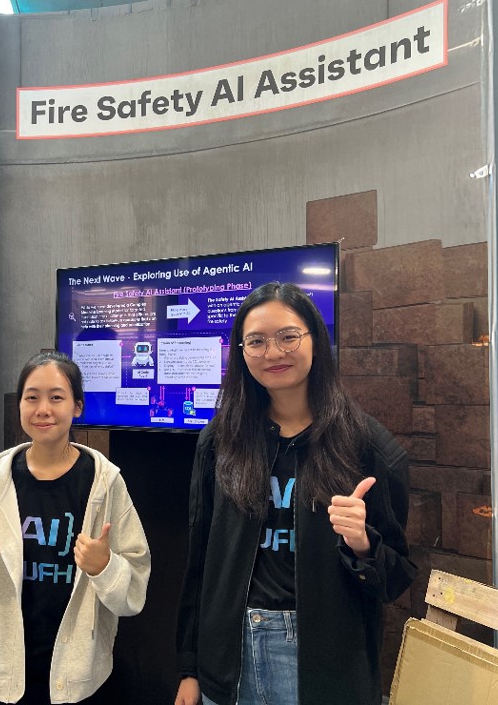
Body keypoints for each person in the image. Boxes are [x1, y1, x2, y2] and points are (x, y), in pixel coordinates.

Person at [175, 282, 417, 705]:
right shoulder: (222, 441)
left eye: (288, 336)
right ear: (241, 352)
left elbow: (395, 579)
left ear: (314, 340)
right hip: (229, 657)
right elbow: (201, 560)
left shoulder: (369, 448)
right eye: (256, 341)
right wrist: (190, 667)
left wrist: (362, 544)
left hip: (321, 664)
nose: (273, 353)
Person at [0, 352, 151, 705]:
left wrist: (105, 567)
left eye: (56, 397)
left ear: (77, 406)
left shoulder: (104, 481)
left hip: (78, 676)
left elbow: (134, 593)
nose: (43, 409)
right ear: (19, 404)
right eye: (31, 397)